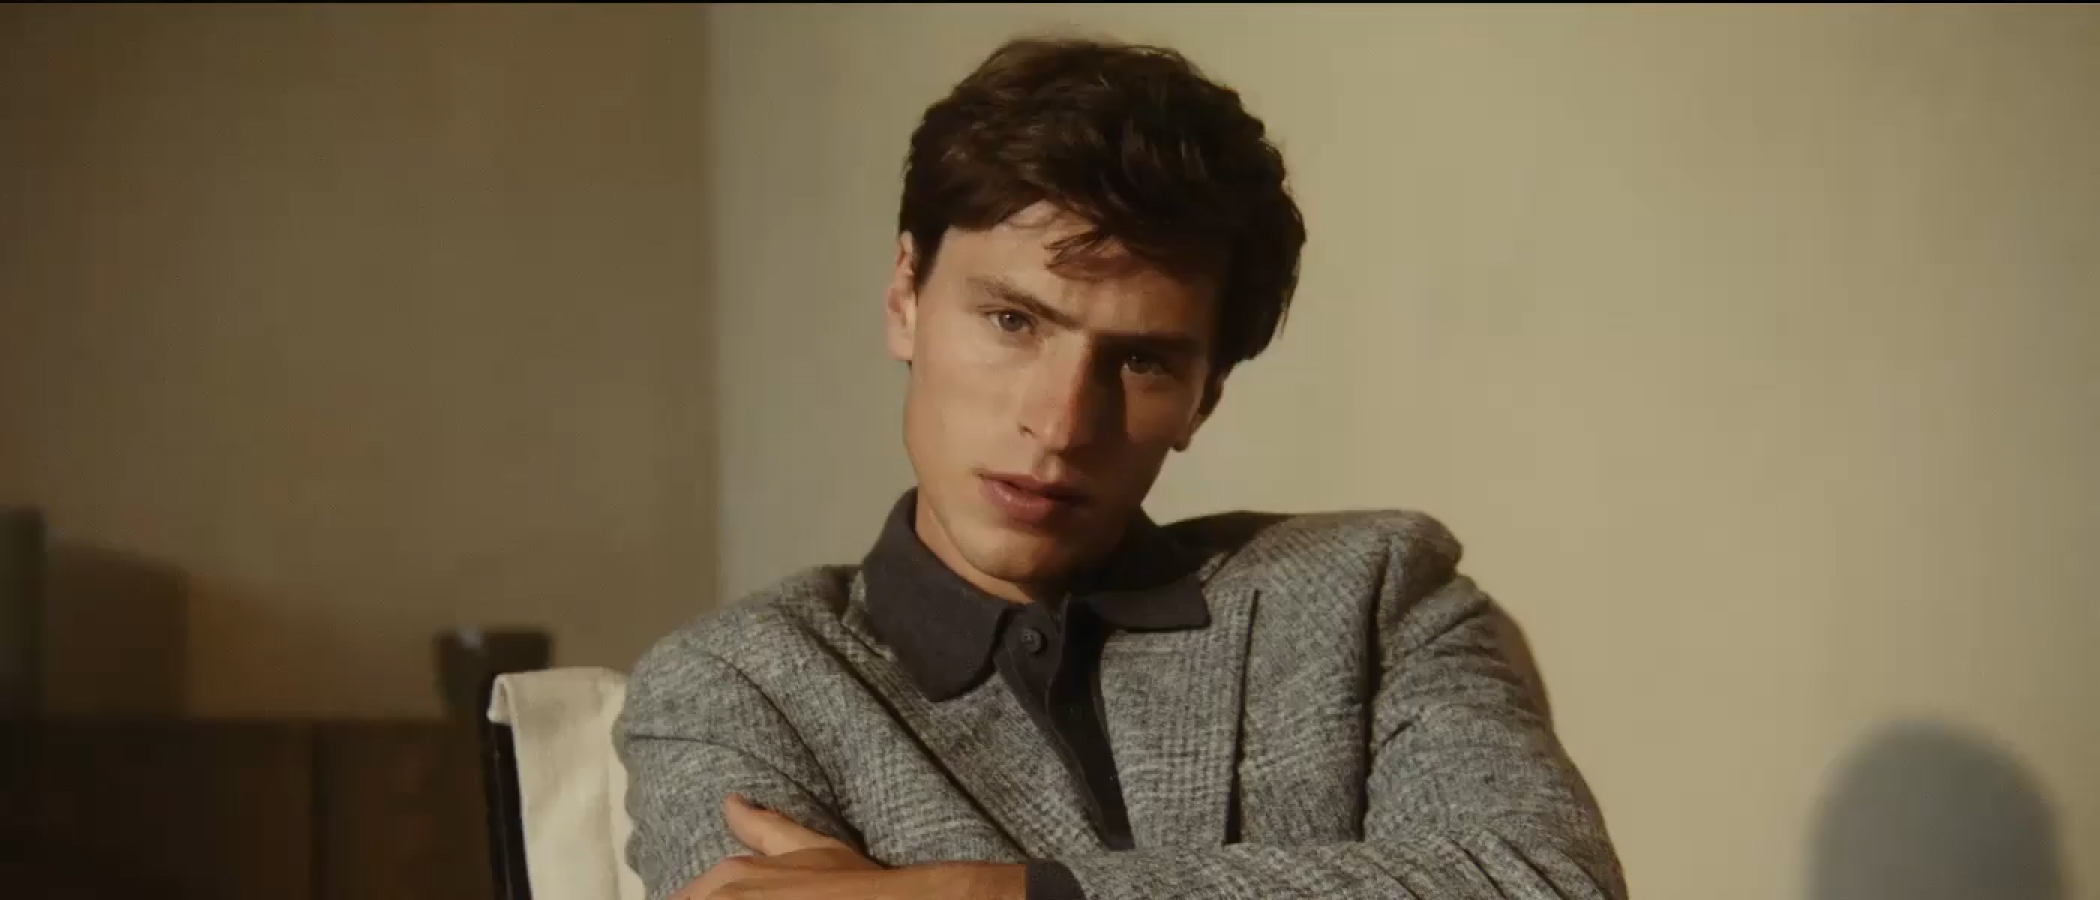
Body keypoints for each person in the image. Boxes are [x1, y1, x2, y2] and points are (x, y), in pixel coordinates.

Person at [615, 34, 1627, 900]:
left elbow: (1546, 884)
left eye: (1142, 361)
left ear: (1205, 395)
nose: (1061, 423)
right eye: (1013, 321)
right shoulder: (741, 683)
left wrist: (992, 893)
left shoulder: (1376, 593)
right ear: (905, 299)